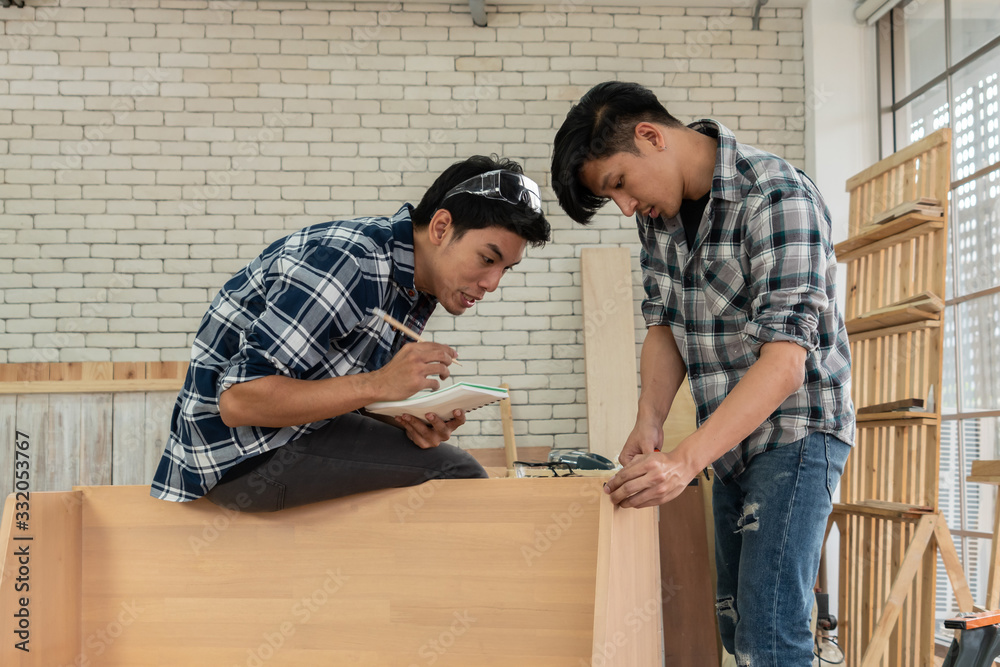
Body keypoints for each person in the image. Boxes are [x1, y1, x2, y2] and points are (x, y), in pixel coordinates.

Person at [551, 81, 855, 667]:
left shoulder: (776, 195)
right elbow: (664, 324)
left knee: (769, 635)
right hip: (729, 440)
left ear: (651, 136)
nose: (624, 206)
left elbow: (787, 363)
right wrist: (650, 420)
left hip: (797, 432)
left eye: (618, 183)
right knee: (735, 623)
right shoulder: (659, 221)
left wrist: (685, 461)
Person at [151, 155, 550, 512]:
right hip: (241, 457)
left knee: (435, 458)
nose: (493, 283)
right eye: (487, 259)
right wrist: (378, 384)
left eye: (505, 269)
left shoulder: (412, 282)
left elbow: (329, 385)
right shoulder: (350, 263)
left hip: (296, 432)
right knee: (456, 473)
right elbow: (239, 401)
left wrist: (405, 420)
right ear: (442, 227)